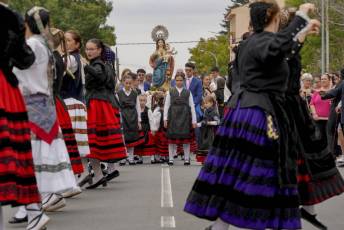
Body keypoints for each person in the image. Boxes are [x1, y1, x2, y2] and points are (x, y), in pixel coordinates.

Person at [184, 1, 320, 229]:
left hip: (245, 112)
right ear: (271, 17)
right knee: (261, 174)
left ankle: (220, 226)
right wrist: (302, 16)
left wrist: (303, 30)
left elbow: (283, 49)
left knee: (235, 172)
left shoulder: (252, 43)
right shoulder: (263, 42)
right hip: (257, 115)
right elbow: (280, 45)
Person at [12, 6, 80, 228]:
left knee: (29, 160)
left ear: (26, 24)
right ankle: (30, 210)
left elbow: (17, 73)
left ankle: (33, 211)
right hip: (44, 106)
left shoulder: (32, 46)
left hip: (31, 107)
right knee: (34, 160)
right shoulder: (45, 46)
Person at [280, 9, 344, 229]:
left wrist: (304, 29)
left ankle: (308, 210)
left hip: (292, 108)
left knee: (303, 160)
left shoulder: (289, 46)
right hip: (285, 107)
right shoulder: (282, 48)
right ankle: (299, 210)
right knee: (289, 161)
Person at [0, 2, 47, 230]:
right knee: (14, 156)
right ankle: (34, 211)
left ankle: (34, 212)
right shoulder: (9, 16)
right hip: (4, 87)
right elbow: (24, 58)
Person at [84, 38, 126, 189]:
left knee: (93, 141)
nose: (88, 52)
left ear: (99, 50)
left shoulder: (98, 64)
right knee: (99, 140)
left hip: (97, 104)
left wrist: (85, 67)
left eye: (92, 49)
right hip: (103, 102)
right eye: (87, 49)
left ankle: (98, 173)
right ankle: (101, 172)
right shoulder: (106, 65)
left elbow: (99, 76)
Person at [164, 73, 197, 165]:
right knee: (171, 139)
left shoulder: (188, 92)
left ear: (184, 81)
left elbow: (192, 106)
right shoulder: (169, 91)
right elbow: (166, 106)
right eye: (177, 80)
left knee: (186, 139)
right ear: (174, 81)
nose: (179, 82)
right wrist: (165, 119)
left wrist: (194, 121)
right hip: (173, 117)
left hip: (185, 117)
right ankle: (171, 158)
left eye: (181, 80)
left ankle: (186, 158)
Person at [117, 74, 144, 165]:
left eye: (129, 83)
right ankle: (123, 158)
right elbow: (117, 107)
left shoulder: (135, 93)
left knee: (132, 138)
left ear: (132, 83)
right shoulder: (119, 93)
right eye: (126, 83)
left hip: (132, 117)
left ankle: (131, 158)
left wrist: (139, 121)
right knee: (123, 138)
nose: (128, 85)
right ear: (123, 83)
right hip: (123, 117)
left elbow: (138, 107)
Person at [196, 96, 220, 164]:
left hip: (211, 131)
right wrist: (197, 124)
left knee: (209, 145)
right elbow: (203, 121)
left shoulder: (214, 111)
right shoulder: (206, 111)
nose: (205, 104)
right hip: (204, 131)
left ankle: (210, 160)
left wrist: (209, 123)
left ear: (211, 103)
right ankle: (204, 160)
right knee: (203, 145)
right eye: (205, 103)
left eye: (207, 103)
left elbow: (217, 122)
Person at [310, 73, 332, 143]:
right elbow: (312, 103)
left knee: (329, 139)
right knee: (319, 138)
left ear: (329, 80)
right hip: (318, 119)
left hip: (329, 120)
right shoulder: (317, 92)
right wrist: (314, 114)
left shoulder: (333, 91)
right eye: (322, 79)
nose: (323, 80)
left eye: (325, 79)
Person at [135, 94, 156, 163]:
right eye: (140, 100)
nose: (142, 102)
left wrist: (152, 129)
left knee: (150, 143)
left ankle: (152, 157)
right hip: (139, 129)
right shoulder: (136, 110)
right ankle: (140, 157)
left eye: (144, 100)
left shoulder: (148, 110)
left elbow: (151, 120)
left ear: (146, 101)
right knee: (140, 144)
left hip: (147, 129)